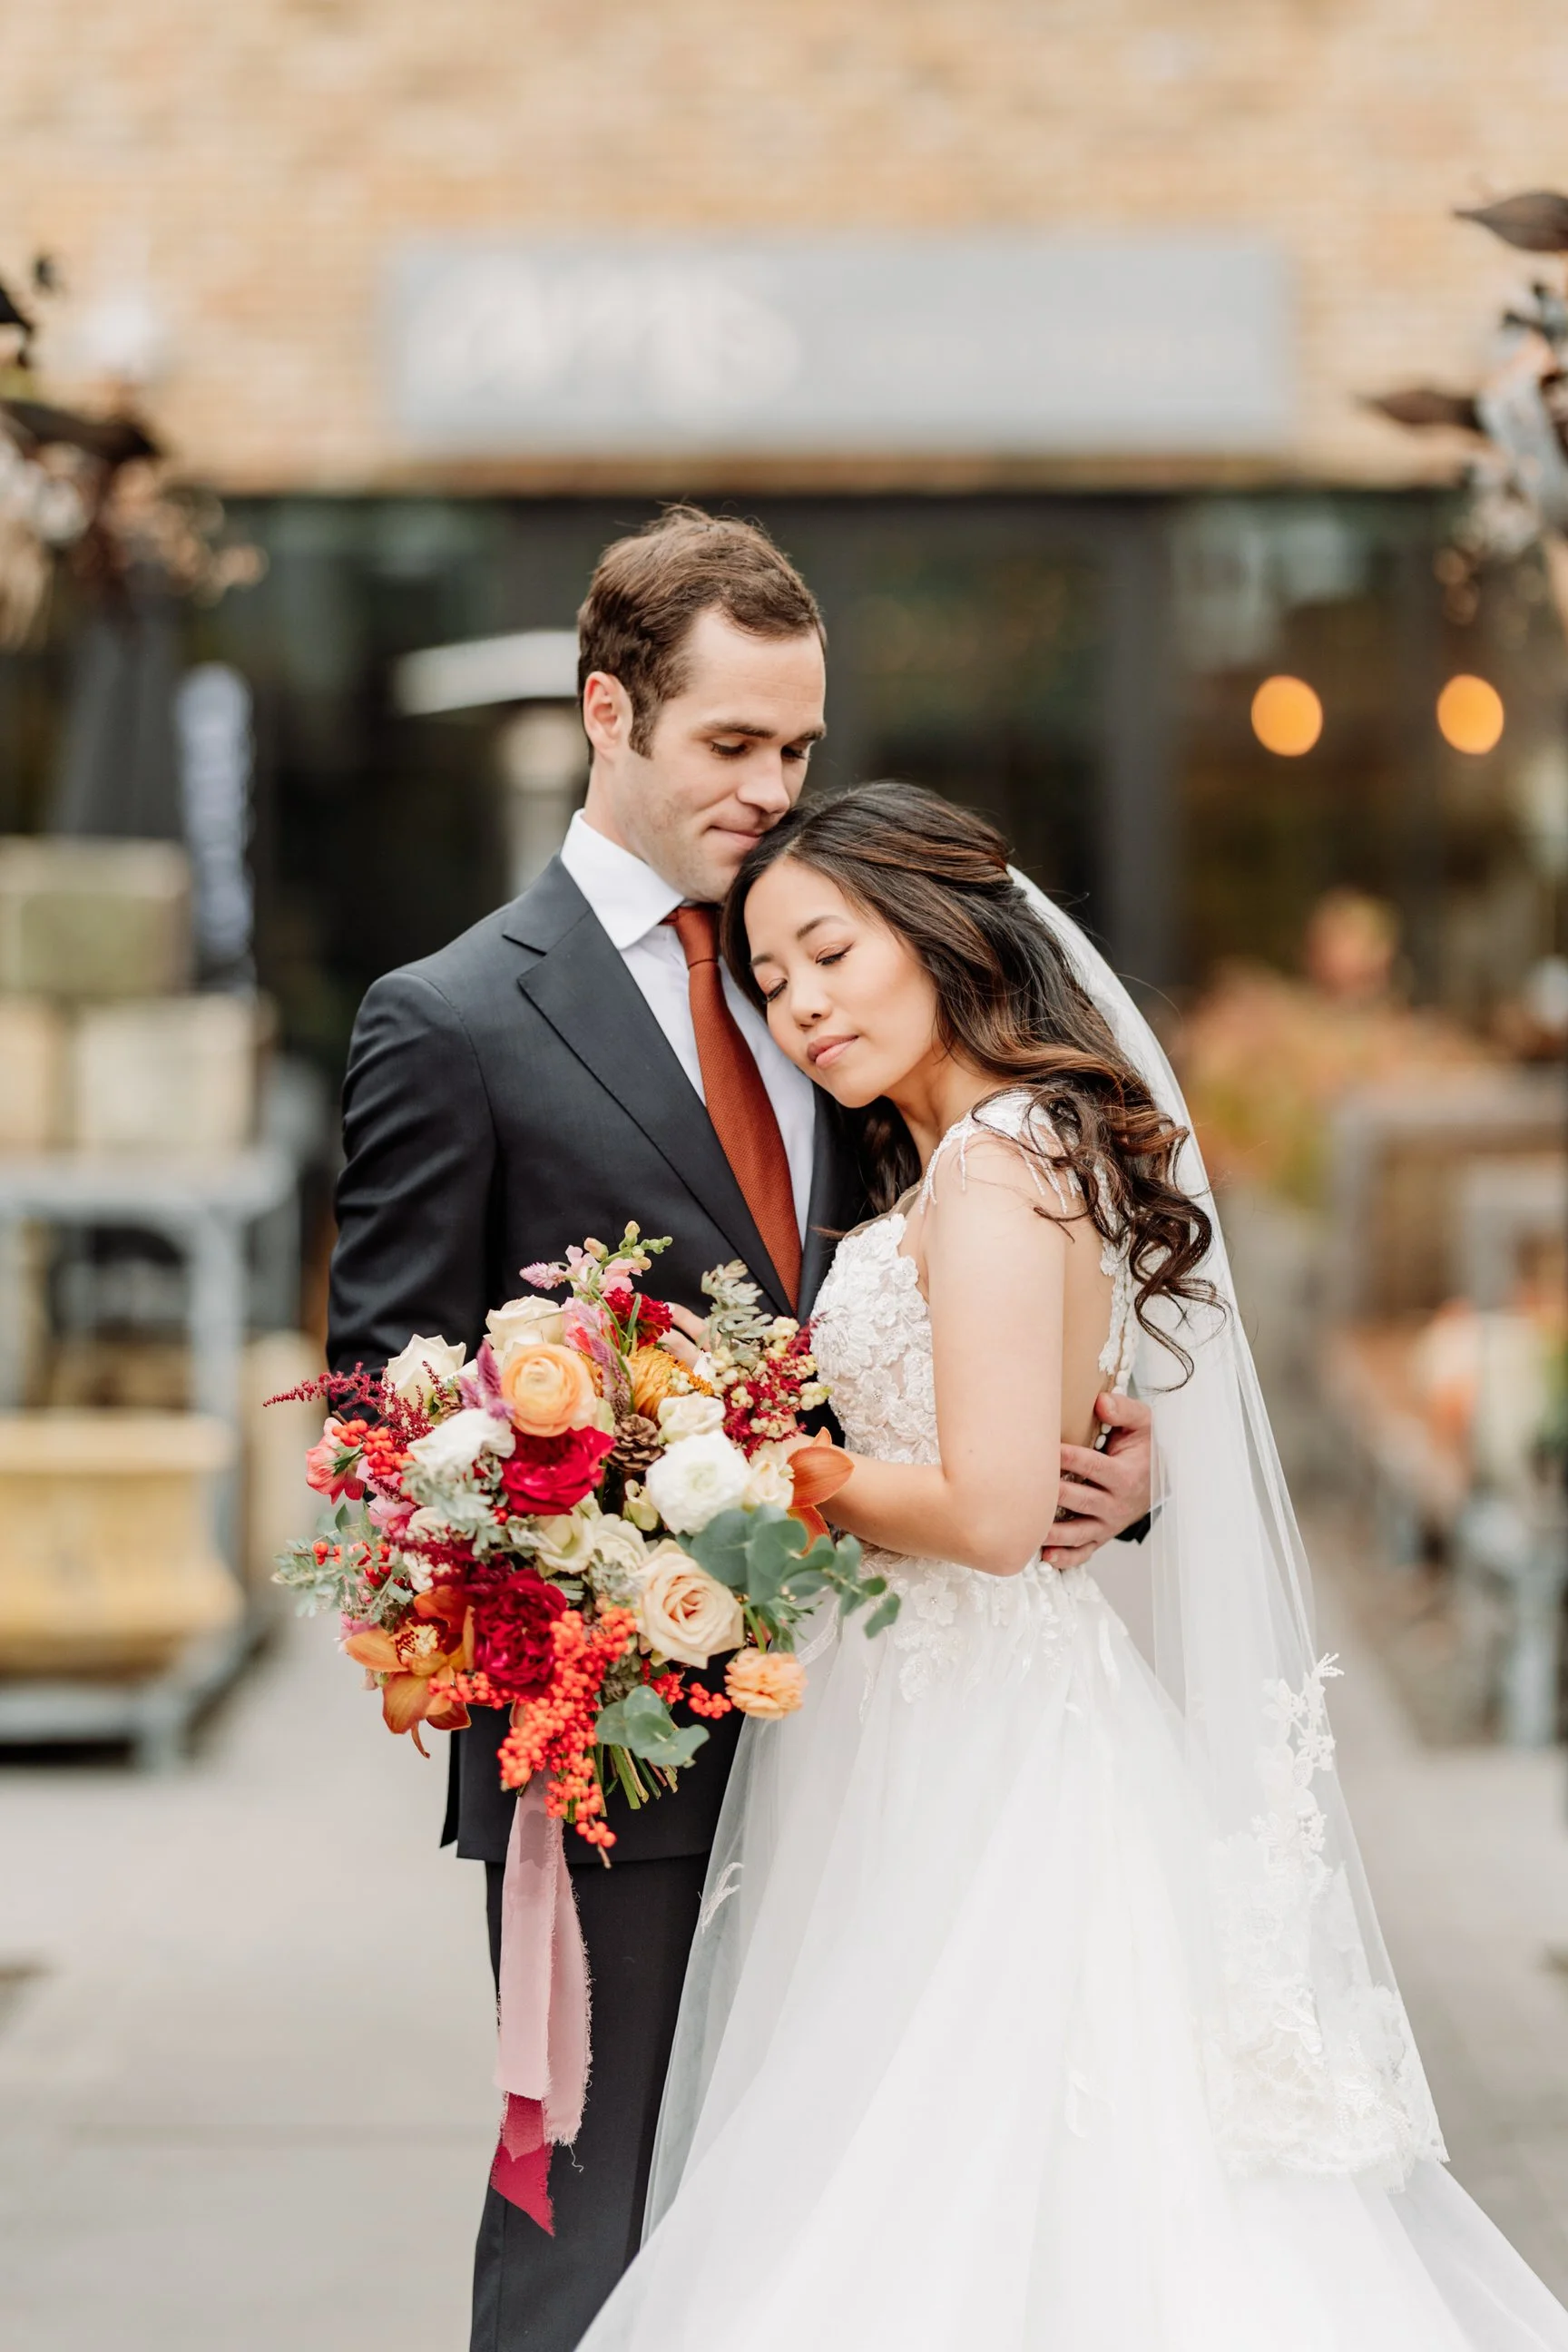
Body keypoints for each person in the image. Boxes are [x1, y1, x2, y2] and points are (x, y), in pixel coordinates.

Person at [576, 782, 1568, 2352]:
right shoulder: (974, 1158)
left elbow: (986, 1510)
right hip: (915, 1704)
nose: (805, 1005)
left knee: (978, 2160)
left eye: (829, 952)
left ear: (937, 927)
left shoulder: (989, 1161)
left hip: (977, 1728)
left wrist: (766, 1468)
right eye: (772, 983)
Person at [325, 511, 1155, 2351]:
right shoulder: (448, 1019)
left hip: (896, 1731)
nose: (773, 788)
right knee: (594, 2219)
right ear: (609, 711)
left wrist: (1104, 1459)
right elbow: (382, 1424)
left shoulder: (839, 983)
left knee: (848, 2228)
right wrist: (601, 1553)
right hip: (622, 1736)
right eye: (732, 747)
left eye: (799, 747)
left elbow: (958, 1303)